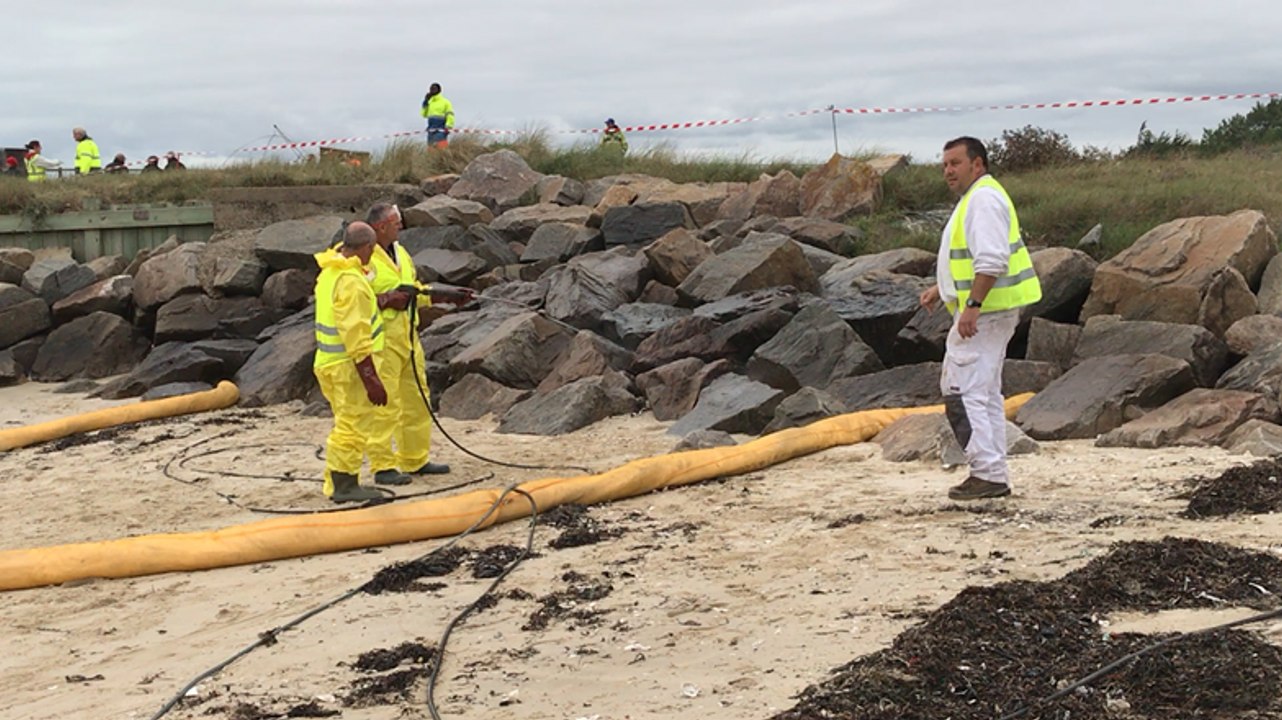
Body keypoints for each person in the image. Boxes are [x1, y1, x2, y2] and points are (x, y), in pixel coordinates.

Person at [918, 136, 1041, 501]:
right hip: (990, 311)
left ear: (978, 164)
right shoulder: (977, 198)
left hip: (984, 314)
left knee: (962, 391)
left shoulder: (983, 200)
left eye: (955, 163)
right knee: (984, 392)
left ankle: (986, 473)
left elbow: (991, 259)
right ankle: (992, 472)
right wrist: (942, 289)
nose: (948, 171)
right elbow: (969, 257)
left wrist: (971, 305)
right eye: (944, 165)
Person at [364, 203, 474, 481]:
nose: (401, 225)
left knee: (417, 399)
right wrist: (388, 300)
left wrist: (446, 295)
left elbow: (414, 291)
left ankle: (414, 459)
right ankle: (382, 465)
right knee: (385, 404)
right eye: (395, 221)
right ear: (381, 227)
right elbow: (352, 300)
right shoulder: (362, 256)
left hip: (409, 339)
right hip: (380, 342)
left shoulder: (400, 253)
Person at [313, 222, 393, 503]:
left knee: (344, 422)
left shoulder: (331, 272)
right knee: (353, 424)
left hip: (328, 362)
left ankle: (337, 480)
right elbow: (356, 335)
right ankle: (345, 484)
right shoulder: (351, 283)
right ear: (368, 247)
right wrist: (371, 379)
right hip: (347, 366)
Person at [420, 83, 455, 148]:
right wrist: (425, 102)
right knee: (431, 150)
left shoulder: (445, 102)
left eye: (434, 88)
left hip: (441, 129)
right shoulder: (430, 102)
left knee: (441, 148)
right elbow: (424, 114)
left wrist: (448, 126)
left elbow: (450, 114)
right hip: (431, 129)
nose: (432, 90)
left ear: (439, 90)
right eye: (431, 89)